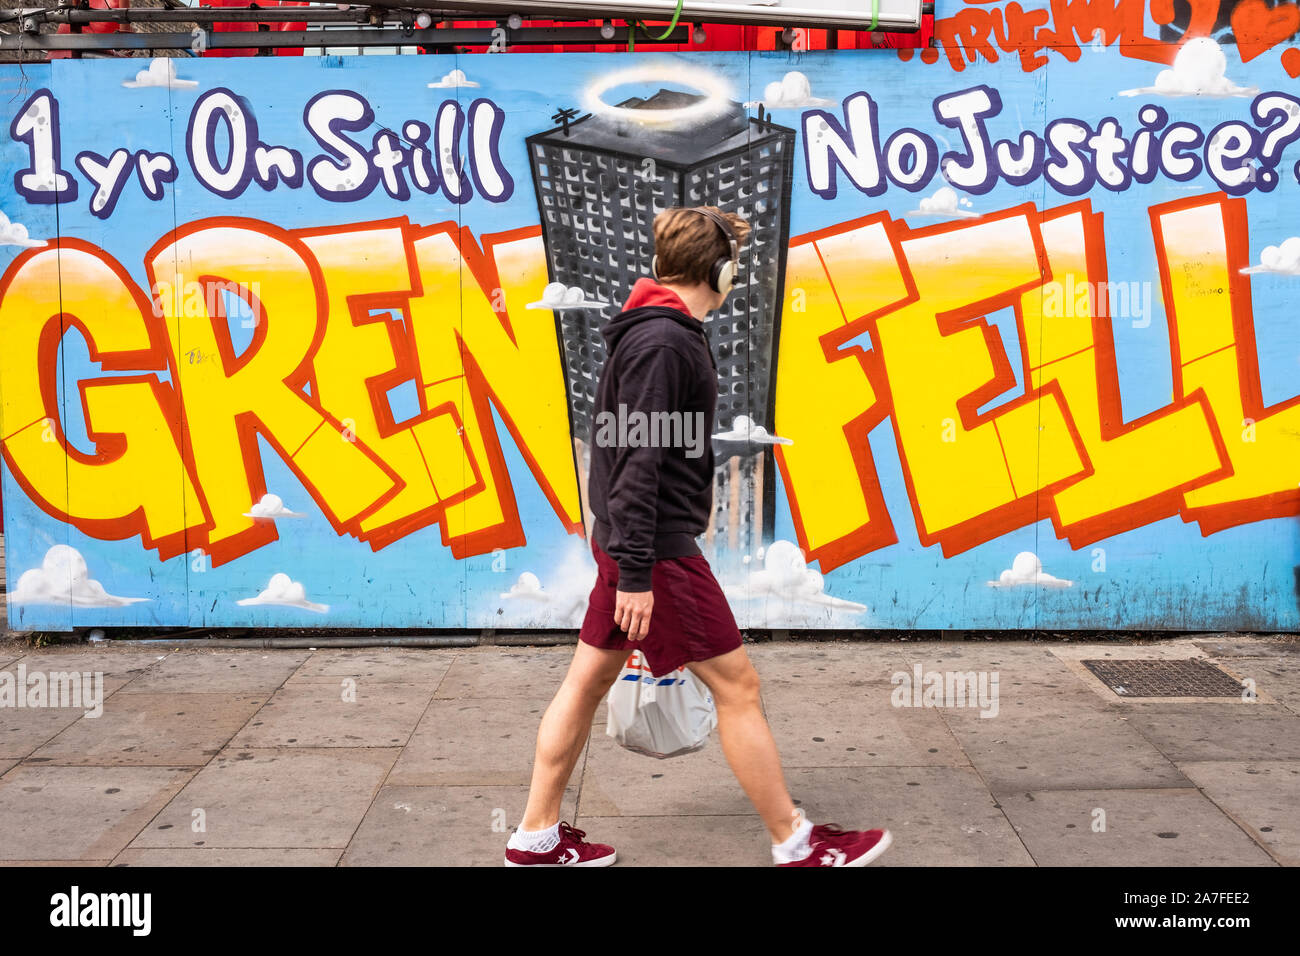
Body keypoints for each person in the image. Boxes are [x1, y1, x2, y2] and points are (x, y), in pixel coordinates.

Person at [504, 206, 892, 868]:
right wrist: (637, 574)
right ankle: (794, 839)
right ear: (720, 269)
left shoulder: (656, 332)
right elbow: (638, 464)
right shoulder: (664, 342)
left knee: (585, 683)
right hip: (655, 552)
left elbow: (630, 453)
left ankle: (535, 835)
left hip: (633, 544)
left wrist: (625, 558)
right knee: (737, 686)